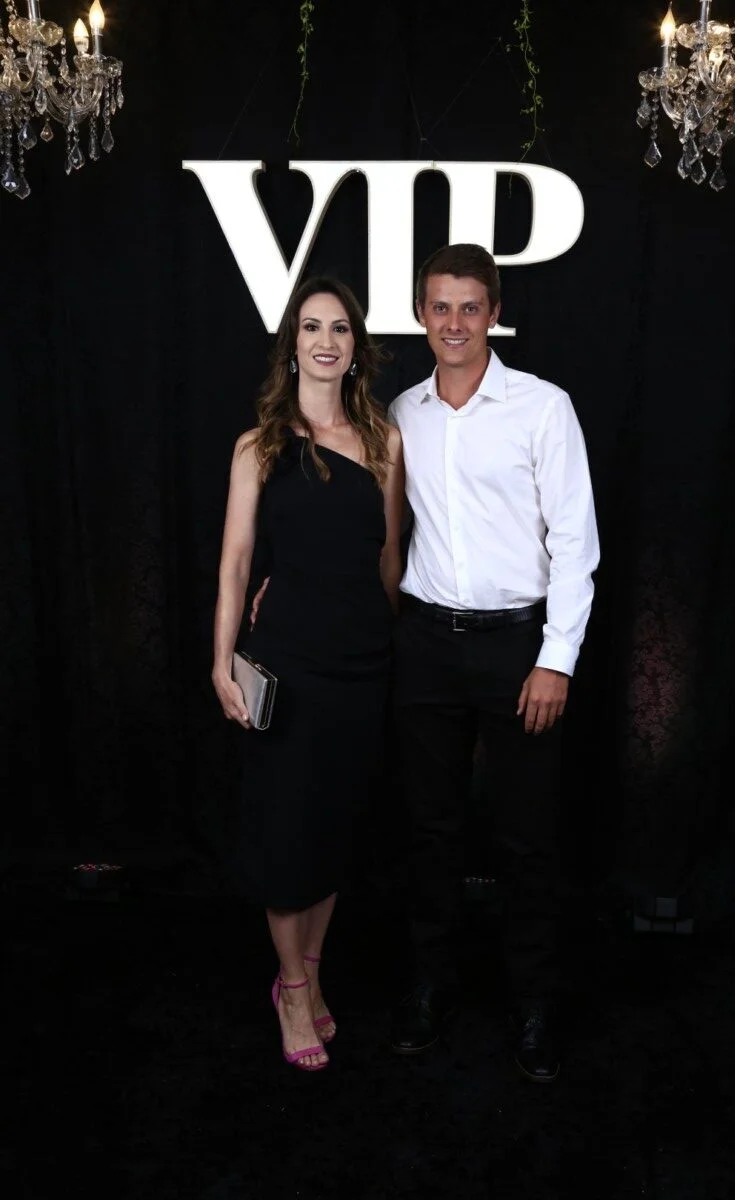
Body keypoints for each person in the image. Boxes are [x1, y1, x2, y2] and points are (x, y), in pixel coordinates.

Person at [386, 243, 600, 1082]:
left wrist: (557, 660)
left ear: (495, 314)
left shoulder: (543, 408)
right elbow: (376, 530)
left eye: (469, 307)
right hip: (427, 645)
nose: (454, 323)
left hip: (519, 647)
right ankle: (431, 985)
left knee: (527, 835)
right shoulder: (402, 412)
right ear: (421, 314)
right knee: (429, 829)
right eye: (440, 307)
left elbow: (575, 541)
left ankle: (535, 1002)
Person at [212, 275, 405, 1073]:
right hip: (288, 665)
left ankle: (313, 972)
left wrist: (384, 642)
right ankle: (291, 989)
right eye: (312, 327)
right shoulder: (257, 446)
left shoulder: (385, 441)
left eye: (340, 329)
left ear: (356, 348)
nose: (326, 341)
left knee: (333, 829)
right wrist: (221, 661)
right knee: (288, 834)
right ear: (292, 344)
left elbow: (389, 563)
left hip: (362, 666)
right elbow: (235, 563)